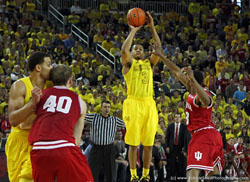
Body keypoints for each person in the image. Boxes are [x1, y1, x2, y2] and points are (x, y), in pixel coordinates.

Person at [152, 44, 224, 182]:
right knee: (212, 177)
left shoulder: (199, 96)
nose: (185, 80)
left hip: (203, 135)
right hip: (210, 135)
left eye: (189, 80)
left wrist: (194, 81)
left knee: (192, 174)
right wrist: (161, 56)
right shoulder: (191, 92)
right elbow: (177, 72)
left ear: (193, 82)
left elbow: (207, 101)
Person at [28, 64, 93, 182]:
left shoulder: (39, 95)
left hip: (38, 150)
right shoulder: (79, 101)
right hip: (64, 148)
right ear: (70, 81)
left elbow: (25, 123)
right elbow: (76, 140)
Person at [121, 11, 162, 182]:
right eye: (135, 48)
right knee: (132, 144)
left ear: (144, 53)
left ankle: (145, 175)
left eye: (140, 48)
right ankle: (133, 175)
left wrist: (152, 28)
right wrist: (133, 31)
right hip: (133, 103)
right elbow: (124, 50)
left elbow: (158, 49)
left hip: (149, 104)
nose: (137, 50)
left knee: (148, 144)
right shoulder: (128, 64)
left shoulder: (149, 63)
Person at [6, 52, 52, 182]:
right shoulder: (20, 86)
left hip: (39, 142)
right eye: (48, 65)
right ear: (38, 68)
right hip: (19, 140)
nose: (51, 68)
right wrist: (32, 103)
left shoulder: (52, 85)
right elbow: (13, 120)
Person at [85, 100, 125, 182]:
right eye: (105, 107)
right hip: (96, 148)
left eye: (108, 107)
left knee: (110, 174)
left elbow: (127, 124)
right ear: (101, 108)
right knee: (92, 172)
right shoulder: (94, 117)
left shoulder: (115, 120)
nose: (107, 109)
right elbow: (82, 117)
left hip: (109, 149)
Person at [165, 113, 187, 181]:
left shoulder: (184, 127)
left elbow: (185, 138)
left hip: (181, 148)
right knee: (172, 163)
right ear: (174, 118)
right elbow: (167, 137)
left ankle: (181, 178)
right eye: (176, 117)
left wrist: (184, 147)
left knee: (181, 164)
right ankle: (172, 178)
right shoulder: (170, 126)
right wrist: (167, 146)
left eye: (178, 117)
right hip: (172, 147)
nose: (177, 118)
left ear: (180, 118)